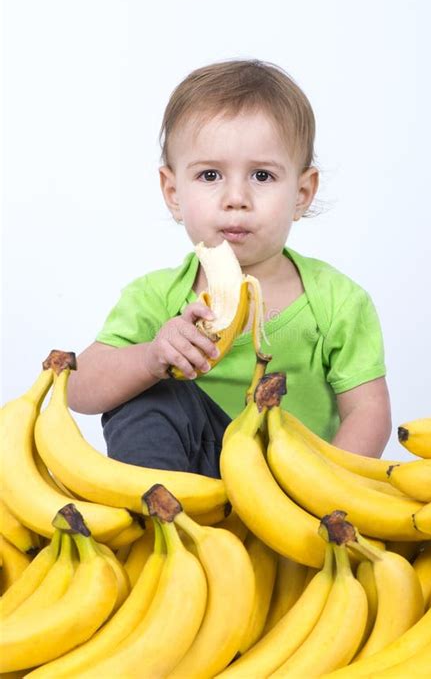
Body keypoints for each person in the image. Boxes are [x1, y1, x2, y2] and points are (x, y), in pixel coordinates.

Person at [67, 59, 392, 478]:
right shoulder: (155, 297)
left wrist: (328, 487)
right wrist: (150, 358)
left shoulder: (338, 300)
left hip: (296, 483)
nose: (235, 197)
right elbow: (79, 390)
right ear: (173, 192)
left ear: (302, 192)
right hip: (192, 481)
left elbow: (368, 410)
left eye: (261, 175)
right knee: (146, 395)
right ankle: (157, 520)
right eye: (209, 175)